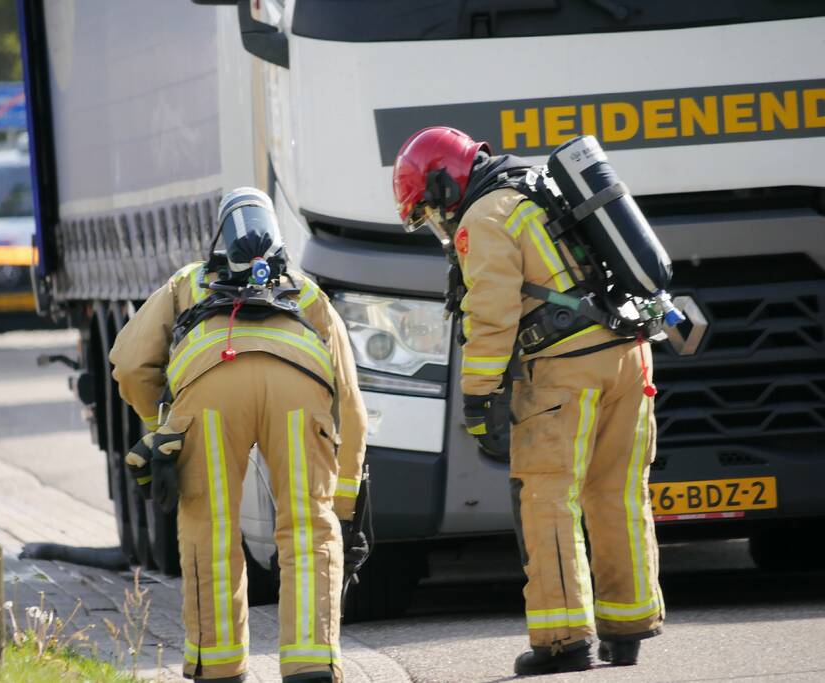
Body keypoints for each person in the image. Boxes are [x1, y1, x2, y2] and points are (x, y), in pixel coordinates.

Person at [392, 128, 664, 675]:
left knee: (547, 499)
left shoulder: (483, 219)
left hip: (566, 371)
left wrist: (477, 395)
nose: (439, 224)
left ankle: (563, 640)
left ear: (445, 185)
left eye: (430, 209)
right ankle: (627, 627)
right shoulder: (535, 191)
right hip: (628, 356)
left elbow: (491, 316)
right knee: (616, 493)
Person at [110, 187, 368, 683]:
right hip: (299, 389)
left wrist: (161, 427)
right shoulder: (306, 291)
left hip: (208, 393)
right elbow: (349, 396)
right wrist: (344, 493)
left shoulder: (188, 281)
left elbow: (129, 363)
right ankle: (311, 662)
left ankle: (219, 664)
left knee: (210, 529)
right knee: (307, 528)